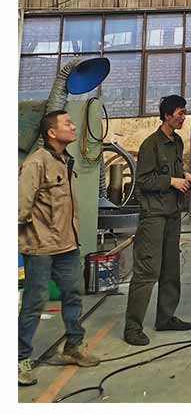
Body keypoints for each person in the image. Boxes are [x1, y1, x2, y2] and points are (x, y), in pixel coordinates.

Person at [18, 110, 100, 387]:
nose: (73, 126)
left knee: (73, 295)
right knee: (35, 302)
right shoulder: (36, 163)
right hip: (41, 247)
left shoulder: (65, 160)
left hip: (67, 245)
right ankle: (18, 358)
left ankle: (73, 347)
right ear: (52, 132)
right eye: (67, 123)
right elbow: (20, 208)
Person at [124, 95, 191, 346]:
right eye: (180, 113)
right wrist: (171, 182)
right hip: (154, 216)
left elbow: (172, 169)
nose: (183, 117)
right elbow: (143, 181)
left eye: (184, 112)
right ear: (166, 115)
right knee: (147, 271)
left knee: (171, 270)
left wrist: (184, 175)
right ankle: (132, 328)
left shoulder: (176, 142)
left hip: (172, 213)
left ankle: (165, 318)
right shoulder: (150, 145)